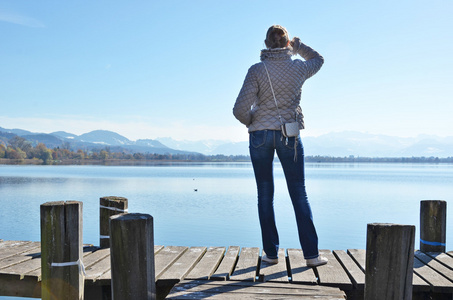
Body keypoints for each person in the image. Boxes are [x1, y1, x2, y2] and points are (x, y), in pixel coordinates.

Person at [233, 25, 327, 267]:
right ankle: (312, 256)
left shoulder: (257, 70)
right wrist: (299, 47)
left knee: (265, 194)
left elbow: (239, 110)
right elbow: (318, 59)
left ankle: (271, 254)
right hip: (289, 135)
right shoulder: (299, 67)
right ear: (286, 43)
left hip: (260, 136)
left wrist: (254, 120)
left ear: (266, 44)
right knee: (299, 192)